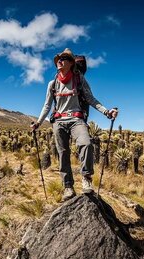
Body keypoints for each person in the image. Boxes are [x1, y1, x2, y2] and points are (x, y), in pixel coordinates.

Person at [31, 48, 118, 201]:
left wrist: (107, 112)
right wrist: (38, 123)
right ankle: (68, 187)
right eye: (58, 58)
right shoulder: (52, 84)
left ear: (71, 63)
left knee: (86, 144)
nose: (59, 61)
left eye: (63, 58)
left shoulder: (79, 80)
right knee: (63, 153)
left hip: (76, 120)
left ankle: (86, 178)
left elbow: (91, 99)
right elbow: (46, 105)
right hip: (59, 122)